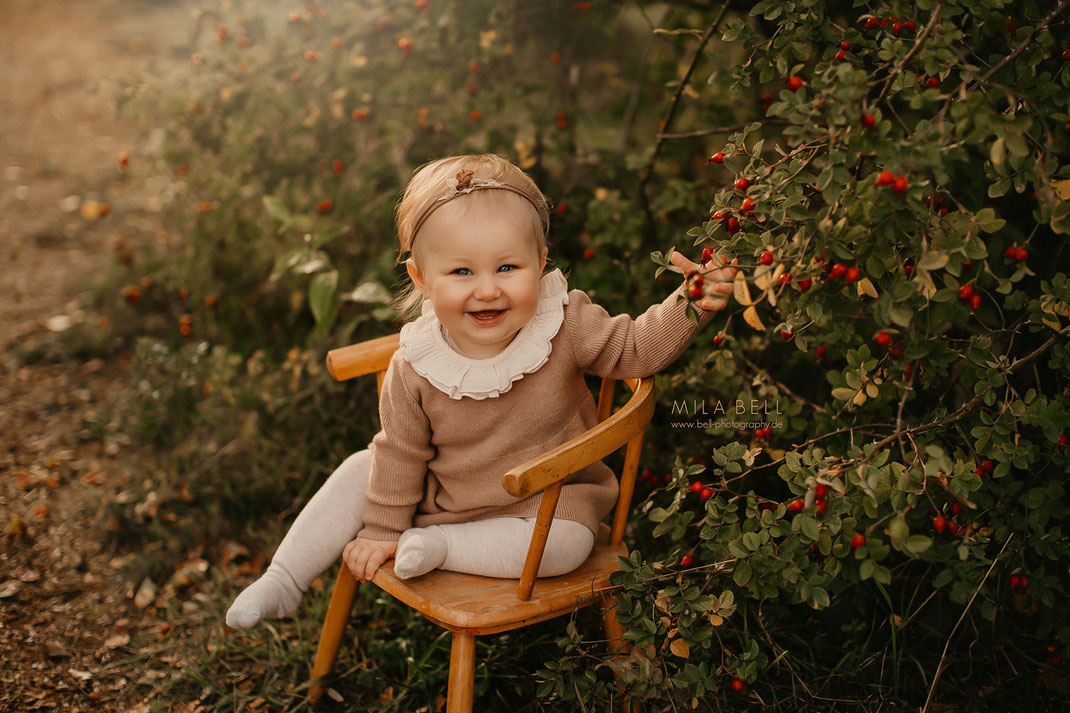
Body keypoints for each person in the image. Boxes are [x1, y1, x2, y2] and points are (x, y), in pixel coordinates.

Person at [225, 153, 738, 629]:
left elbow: (635, 350)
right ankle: (285, 579)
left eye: (507, 267)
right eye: (462, 271)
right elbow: (402, 453)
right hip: (442, 495)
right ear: (421, 277)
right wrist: (382, 528)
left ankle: (438, 546)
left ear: (540, 262)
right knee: (363, 467)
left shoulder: (564, 323)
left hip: (545, 507)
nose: (487, 288)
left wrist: (690, 303)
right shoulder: (416, 364)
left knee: (565, 547)